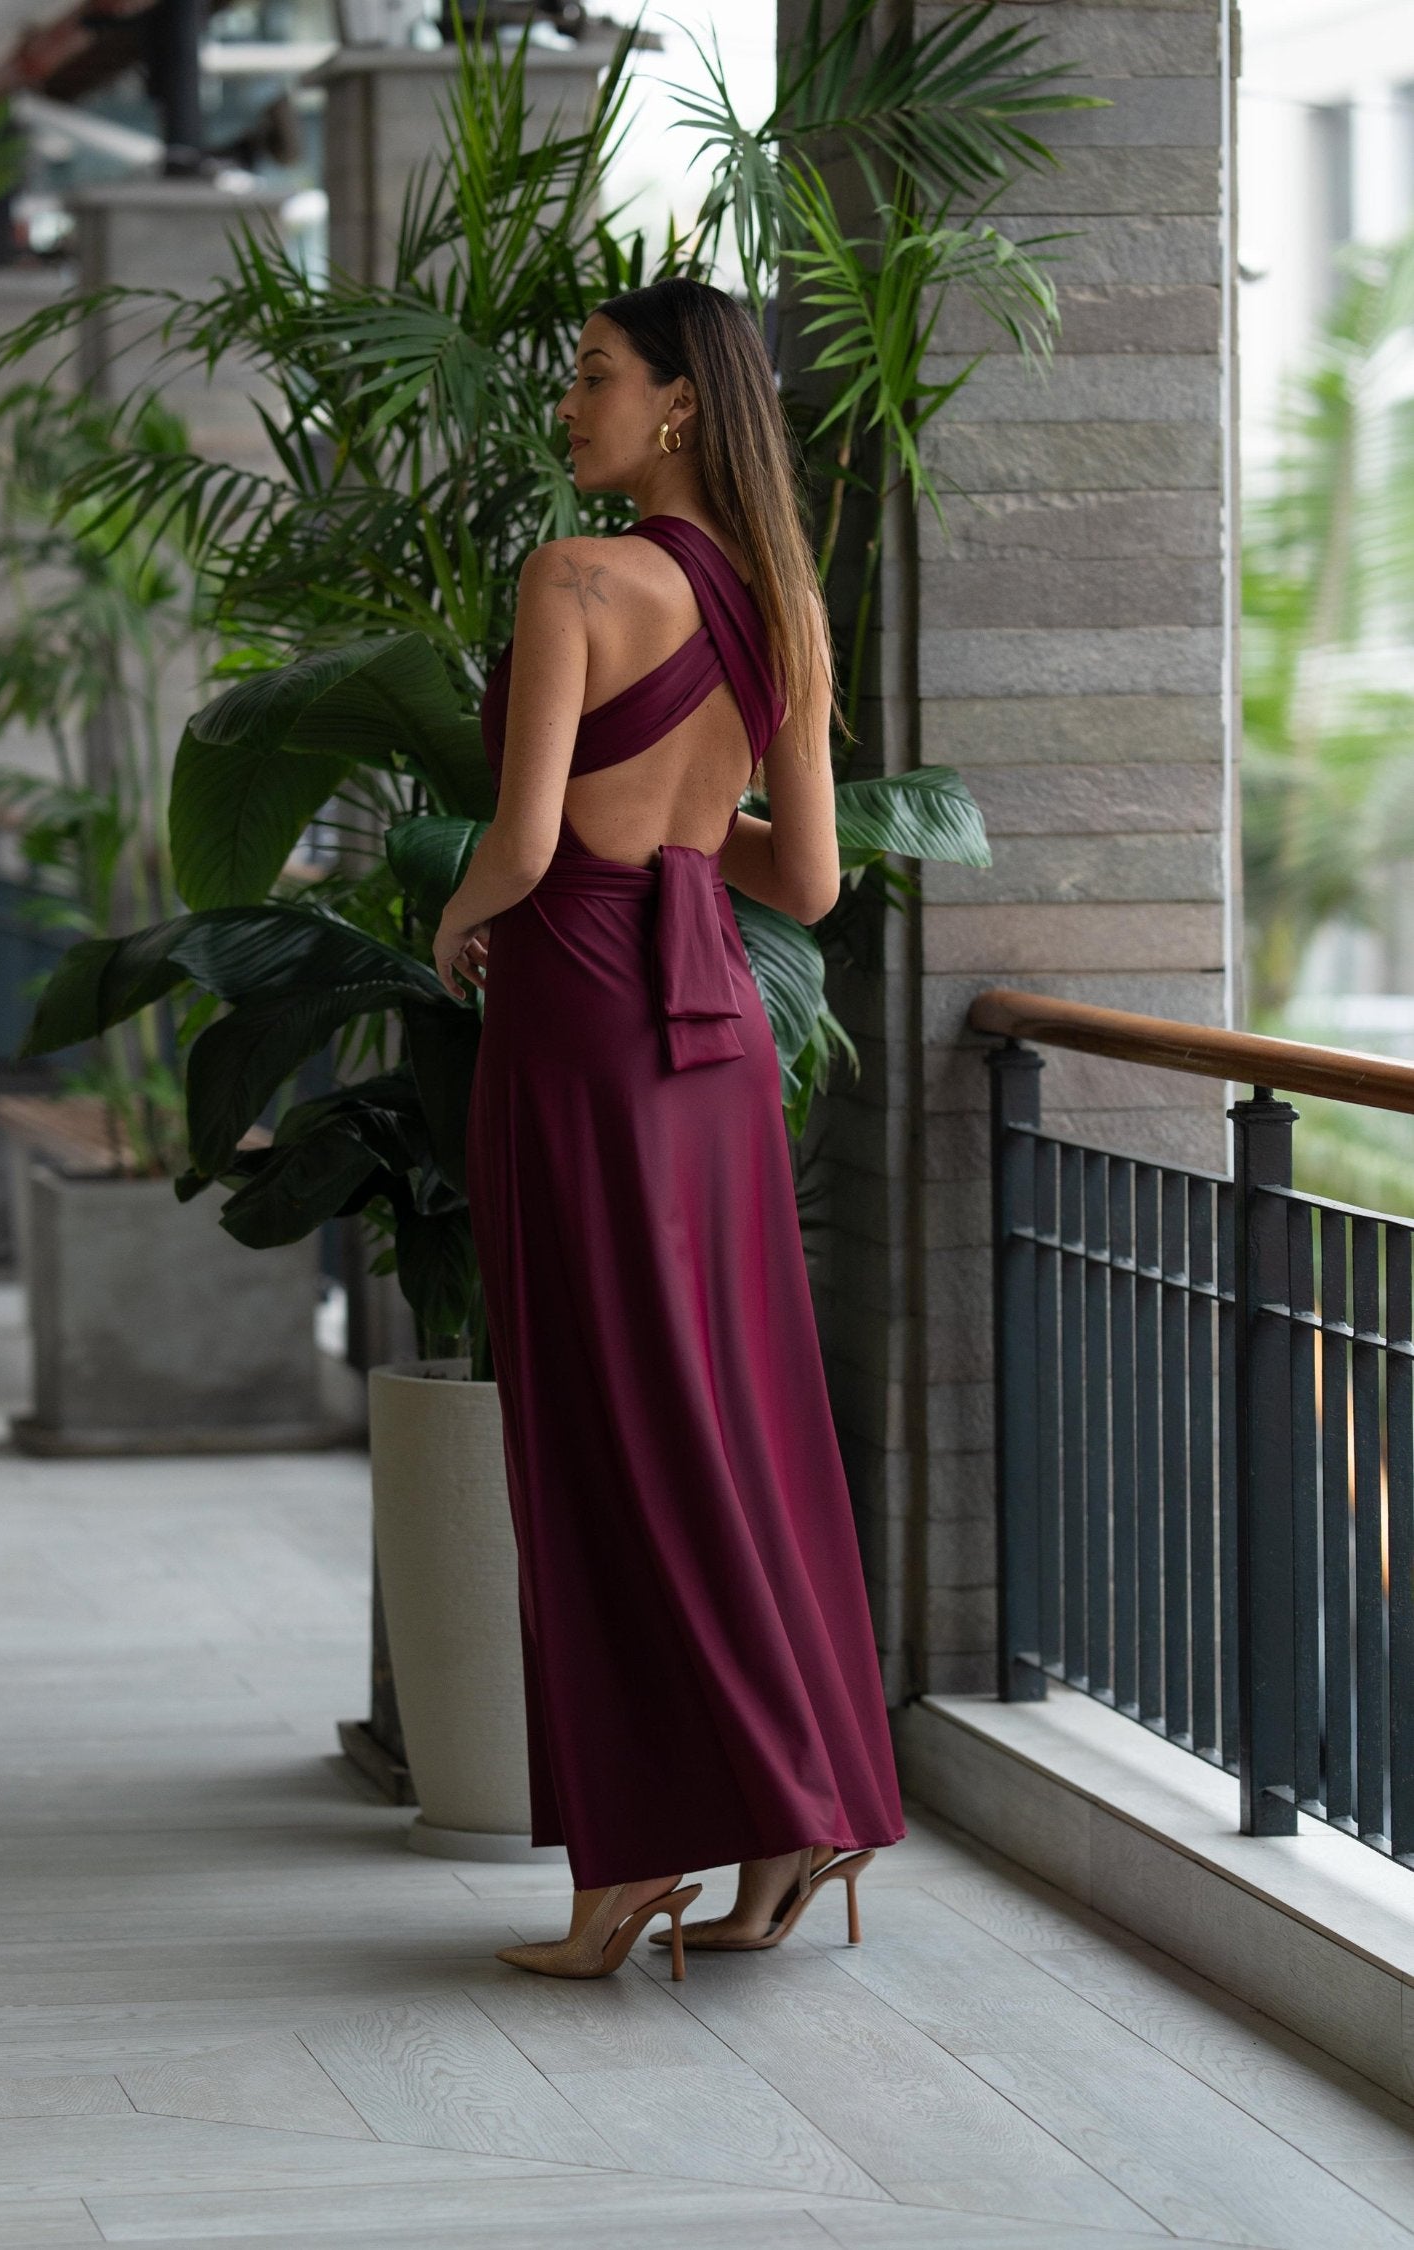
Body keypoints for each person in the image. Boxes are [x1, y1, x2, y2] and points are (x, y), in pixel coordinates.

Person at [431, 277, 906, 1982]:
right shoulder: (780, 608)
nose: (569, 405)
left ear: (681, 401)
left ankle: (629, 1868)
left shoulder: (575, 578)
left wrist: (452, 921)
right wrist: (689, 833)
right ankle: (792, 1813)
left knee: (601, 1424)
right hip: (707, 1036)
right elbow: (812, 879)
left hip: (576, 1014)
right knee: (730, 1412)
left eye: (593, 374)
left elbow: (525, 840)